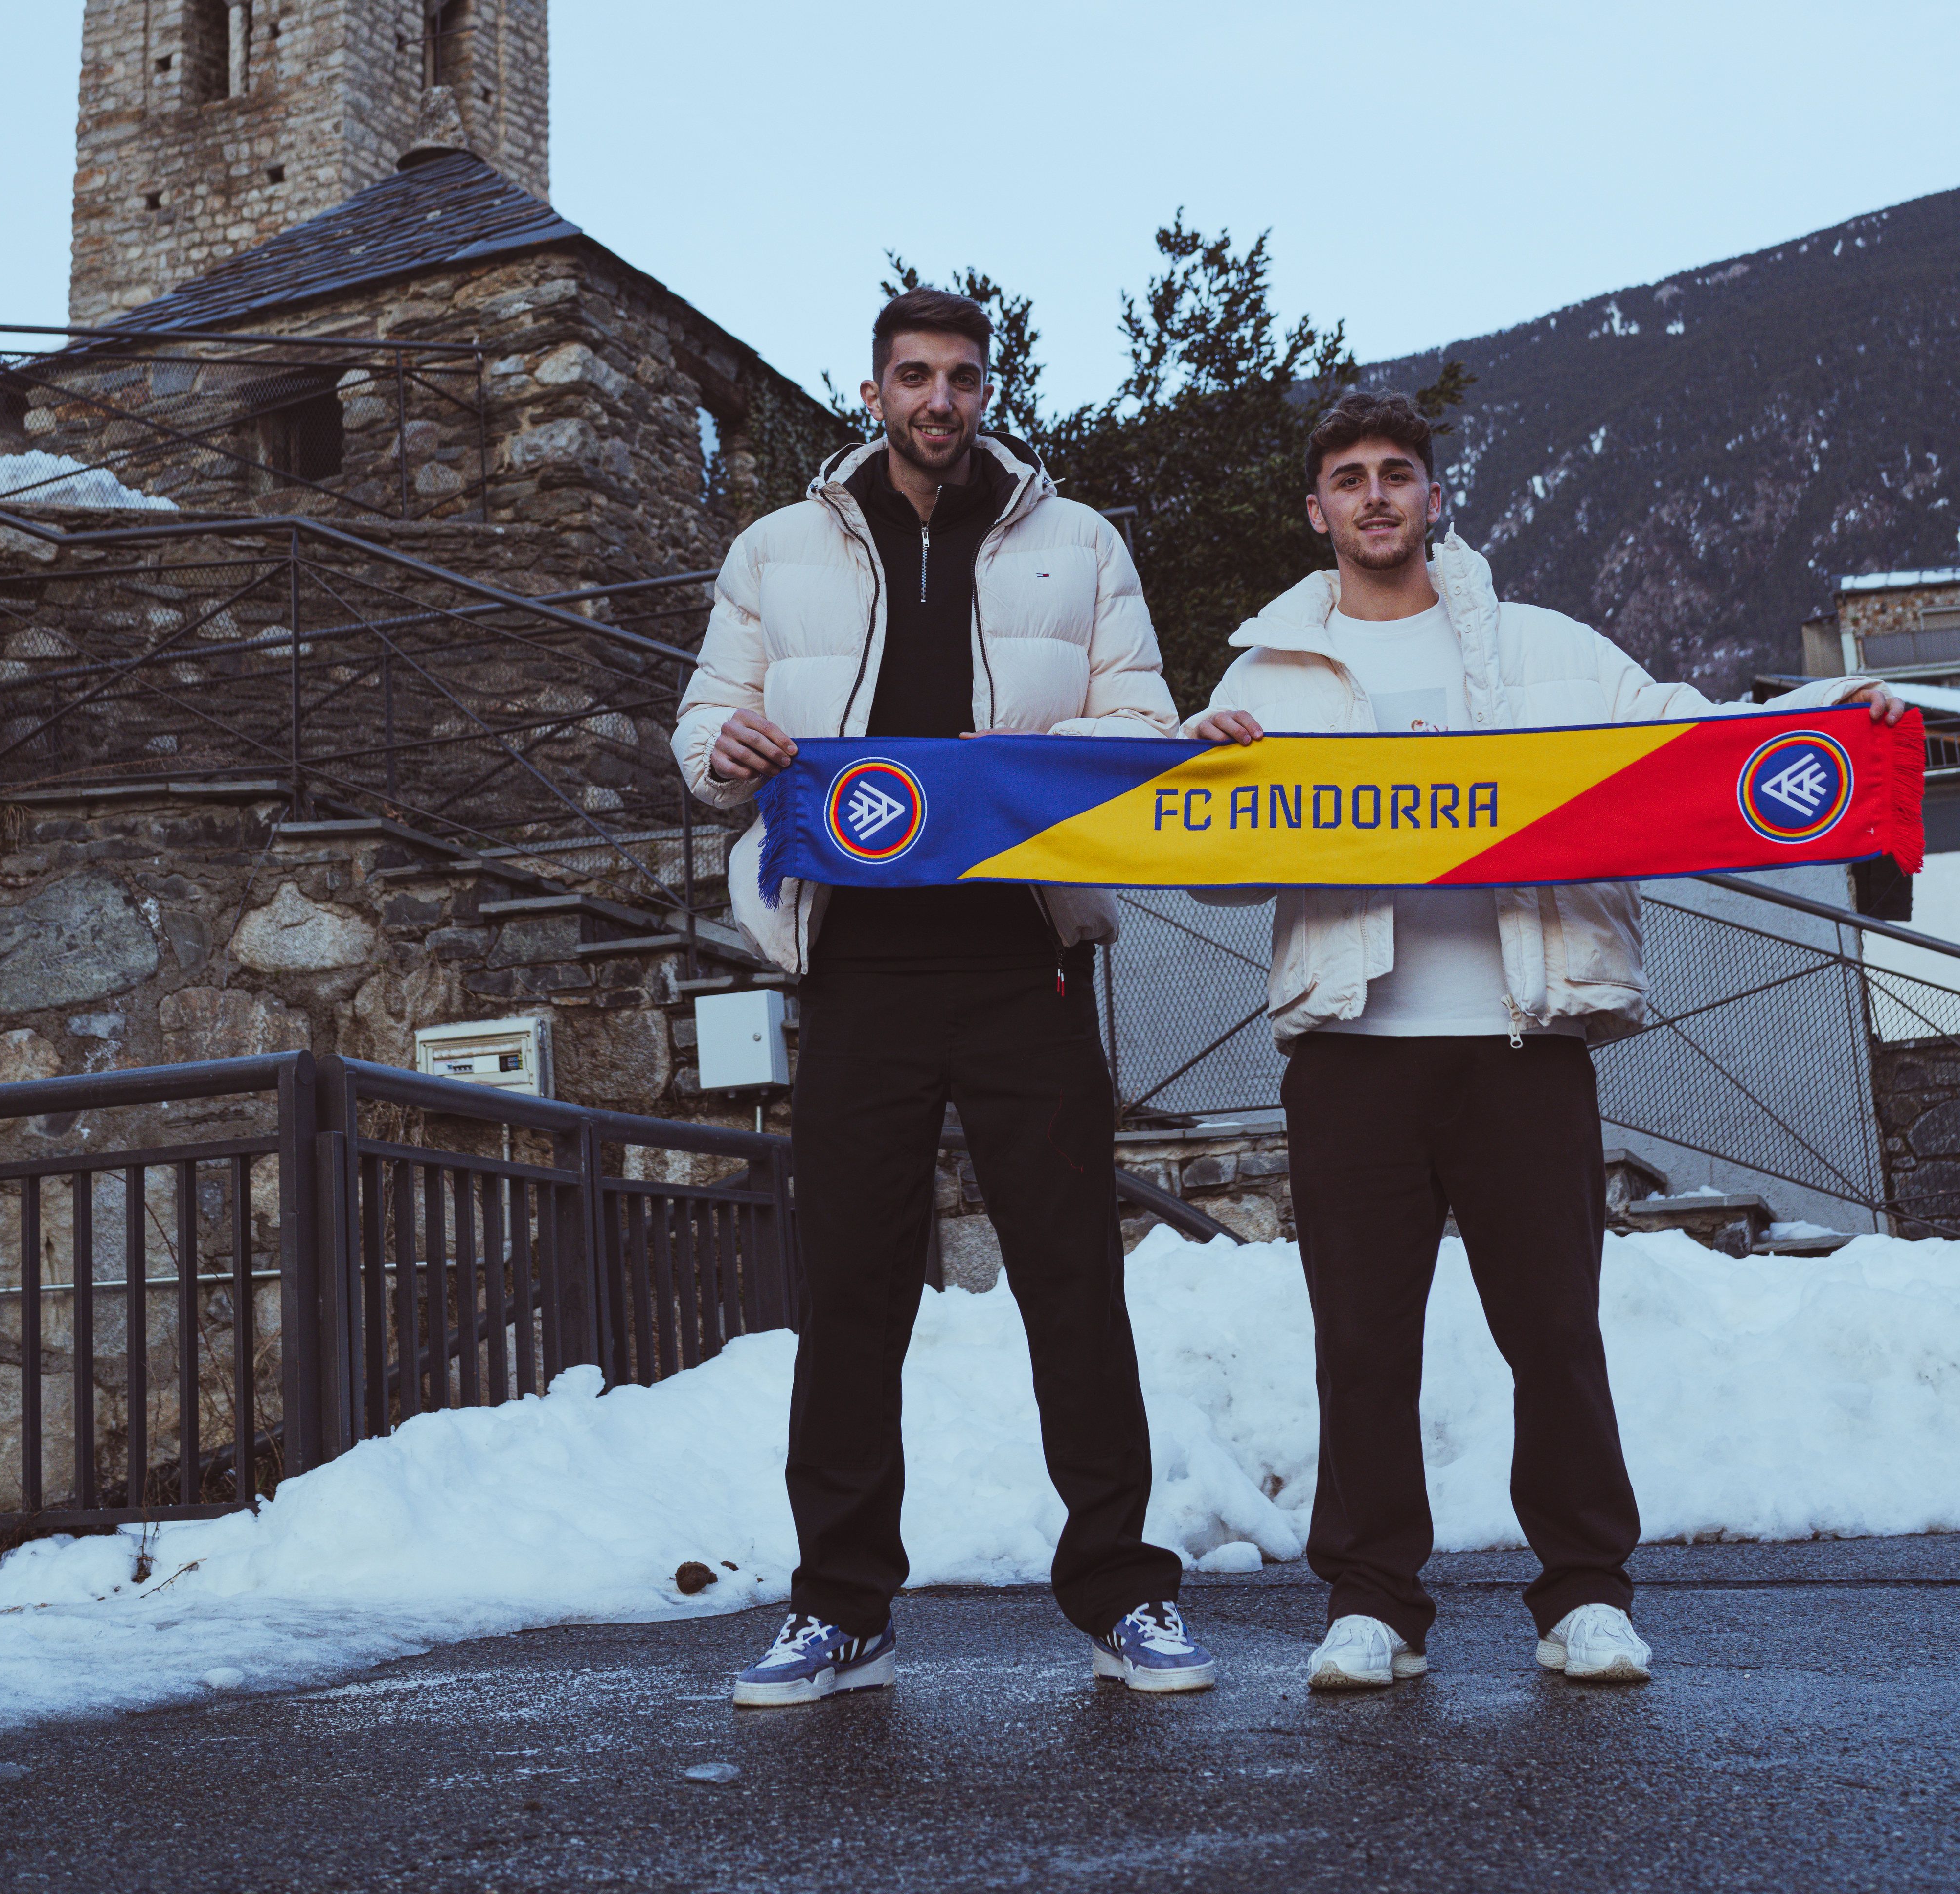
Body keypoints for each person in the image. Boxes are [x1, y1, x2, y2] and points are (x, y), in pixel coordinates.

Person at [1188, 388, 1907, 1695]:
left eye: (1396, 472)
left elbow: (1687, 740)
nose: (1374, 496)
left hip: (1525, 1041)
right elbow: (1217, 880)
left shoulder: (1546, 653)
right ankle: (1372, 1604)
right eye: (1347, 477)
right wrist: (1208, 780)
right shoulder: (1263, 680)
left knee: (1554, 1331)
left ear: (1433, 495)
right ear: (1317, 511)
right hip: (1353, 1052)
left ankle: (1583, 1593)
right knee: (1361, 1338)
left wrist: (1819, 715)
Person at [676, 287, 1216, 1706]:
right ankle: (840, 1608)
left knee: (1074, 1288)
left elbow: (1144, 727)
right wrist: (726, 746)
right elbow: (701, 728)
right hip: (856, 970)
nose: (939, 400)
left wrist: (1008, 765)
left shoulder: (1078, 542)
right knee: (851, 1297)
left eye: (963, 378)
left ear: (989, 391)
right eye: (914, 377)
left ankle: (1121, 1595)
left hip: (1026, 963)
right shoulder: (776, 549)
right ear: (873, 391)